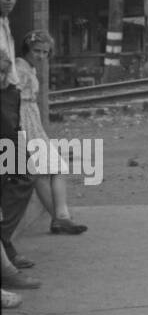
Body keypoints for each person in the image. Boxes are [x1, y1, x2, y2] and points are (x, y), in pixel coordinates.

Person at [16, 31, 87, 235]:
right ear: (27, 49)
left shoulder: (28, 68)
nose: (40, 56)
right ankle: (61, 217)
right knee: (57, 167)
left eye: (45, 52)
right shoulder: (21, 67)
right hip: (25, 121)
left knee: (40, 174)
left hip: (30, 120)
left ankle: (59, 219)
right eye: (36, 51)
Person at [0, 0, 37, 276]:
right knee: (19, 172)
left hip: (9, 102)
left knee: (16, 173)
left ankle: (4, 242)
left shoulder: (4, 22)